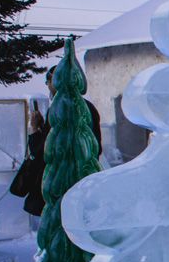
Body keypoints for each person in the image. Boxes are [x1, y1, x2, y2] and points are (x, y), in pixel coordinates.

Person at [9, 69, 102, 219]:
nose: (48, 85)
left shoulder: (59, 109)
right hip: (82, 186)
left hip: (58, 188)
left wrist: (34, 130)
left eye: (49, 80)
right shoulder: (88, 107)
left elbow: (45, 152)